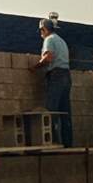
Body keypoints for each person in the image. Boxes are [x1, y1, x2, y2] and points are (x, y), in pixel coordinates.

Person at [30, 19, 73, 147]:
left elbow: (49, 57)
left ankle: (53, 141)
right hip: (66, 75)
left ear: (44, 29)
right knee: (65, 110)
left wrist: (36, 66)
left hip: (56, 76)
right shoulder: (62, 41)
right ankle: (68, 142)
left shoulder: (49, 40)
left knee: (52, 109)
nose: (41, 34)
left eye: (41, 31)